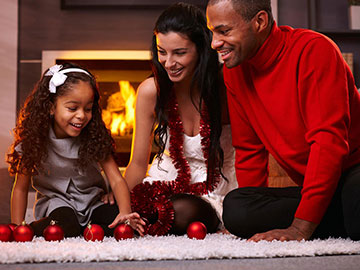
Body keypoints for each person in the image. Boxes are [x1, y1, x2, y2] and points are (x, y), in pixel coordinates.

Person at [206, 0, 360, 241]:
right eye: (212, 32)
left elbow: (328, 145)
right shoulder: (233, 71)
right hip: (317, 187)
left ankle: (333, 217)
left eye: (224, 31)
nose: (214, 43)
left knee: (356, 199)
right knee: (237, 209)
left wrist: (300, 227)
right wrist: (252, 208)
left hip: (354, 170)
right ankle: (338, 217)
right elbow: (249, 149)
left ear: (260, 22)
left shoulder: (314, 50)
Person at [124, 2, 238, 236]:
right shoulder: (151, 91)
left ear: (201, 49)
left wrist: (241, 213)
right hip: (166, 181)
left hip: (215, 186)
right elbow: (137, 162)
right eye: (162, 52)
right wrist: (124, 207)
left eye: (179, 53)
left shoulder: (225, 89)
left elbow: (250, 152)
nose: (168, 63)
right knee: (123, 211)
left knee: (181, 211)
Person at [7, 63, 145, 237]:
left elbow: (117, 180)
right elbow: (20, 188)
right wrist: (19, 227)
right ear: (51, 107)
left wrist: (125, 213)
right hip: (58, 204)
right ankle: (38, 228)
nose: (81, 115)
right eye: (72, 108)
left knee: (117, 224)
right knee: (66, 225)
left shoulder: (94, 137)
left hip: (92, 202)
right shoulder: (34, 141)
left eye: (88, 109)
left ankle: (87, 229)